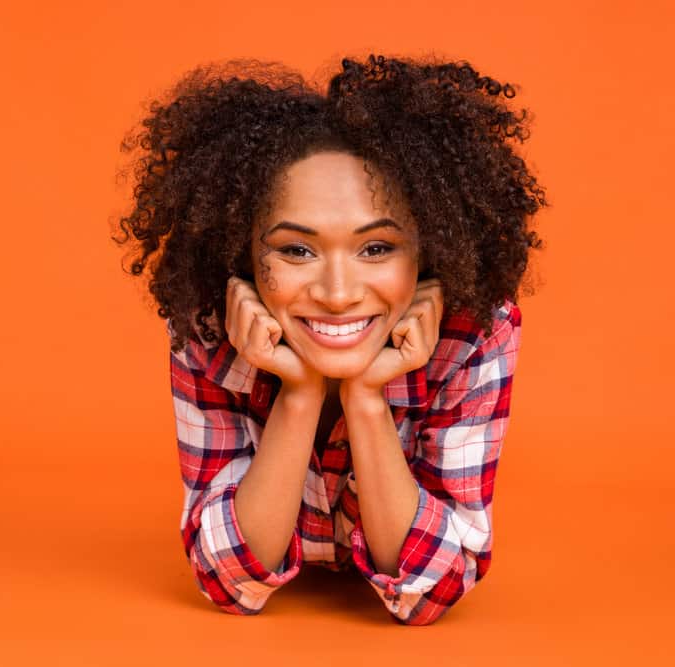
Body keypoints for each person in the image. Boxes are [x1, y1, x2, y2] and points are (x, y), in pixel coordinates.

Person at [113, 53, 548, 625]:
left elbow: (434, 592)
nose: (338, 294)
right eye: (296, 250)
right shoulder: (208, 330)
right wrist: (300, 396)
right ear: (243, 254)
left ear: (427, 251)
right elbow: (225, 581)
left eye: (377, 248)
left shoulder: (473, 336)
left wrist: (366, 399)